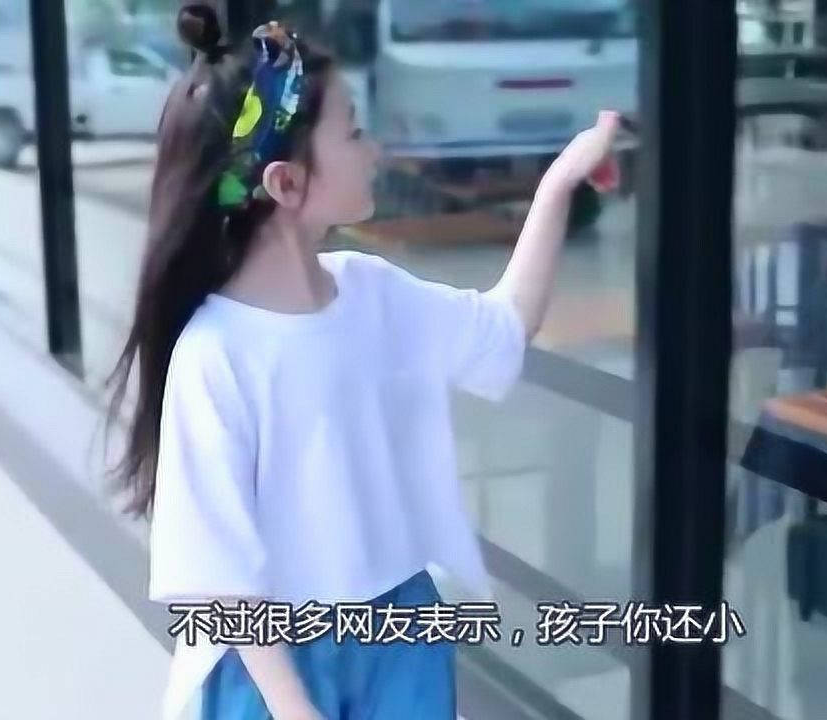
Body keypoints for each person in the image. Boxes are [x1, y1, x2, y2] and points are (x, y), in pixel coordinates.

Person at [105, 3, 621, 719]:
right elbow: (215, 570)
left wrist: (557, 184)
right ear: (286, 184)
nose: (373, 149)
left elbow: (504, 329)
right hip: (267, 662)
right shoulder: (215, 354)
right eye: (352, 132)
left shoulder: (372, 291)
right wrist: (295, 709)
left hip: (399, 631)